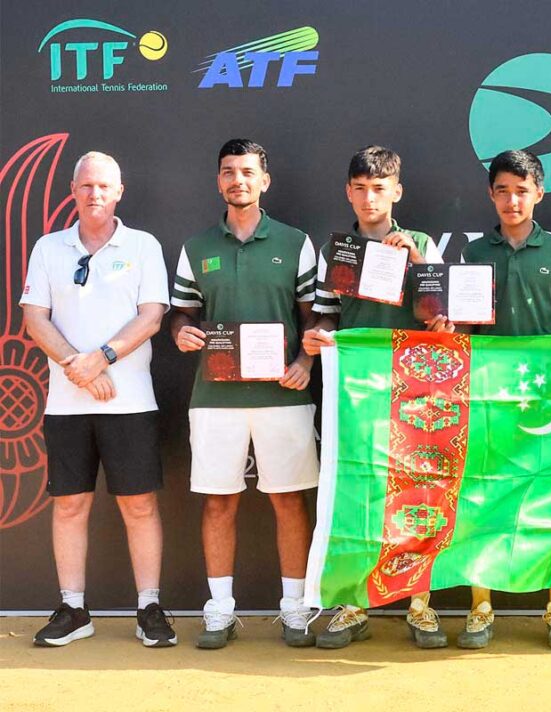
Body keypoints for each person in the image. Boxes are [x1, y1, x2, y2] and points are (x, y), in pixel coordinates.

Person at [428, 149, 551, 650]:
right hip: (488, 398)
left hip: (549, 402)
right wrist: (449, 329)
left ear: (539, 193)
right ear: (490, 194)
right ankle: (480, 607)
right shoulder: (473, 255)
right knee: (484, 500)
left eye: (522, 191)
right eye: (502, 191)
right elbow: (465, 332)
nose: (512, 201)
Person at [21, 151, 175, 647]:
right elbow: (35, 318)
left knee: (139, 505)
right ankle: (73, 609)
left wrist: (102, 357)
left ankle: (149, 607)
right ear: (73, 190)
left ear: (119, 192)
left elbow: (152, 316)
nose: (95, 194)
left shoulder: (144, 246)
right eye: (86, 185)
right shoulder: (49, 247)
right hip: (67, 404)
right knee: (70, 506)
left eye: (105, 186)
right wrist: (77, 366)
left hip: (130, 403)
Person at [170, 139, 319, 649]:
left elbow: (315, 316)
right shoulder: (196, 247)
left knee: (289, 501)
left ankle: (295, 607)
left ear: (264, 180)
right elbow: (182, 313)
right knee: (218, 502)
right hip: (215, 398)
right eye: (229, 172)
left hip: (284, 395)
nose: (239, 180)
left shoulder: (296, 242)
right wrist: (181, 333)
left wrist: (305, 362)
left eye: (248, 172)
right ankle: (220, 611)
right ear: (219, 181)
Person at [302, 145, 446, 649]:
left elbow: (443, 317)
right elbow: (326, 314)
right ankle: (353, 604)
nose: (370, 198)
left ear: (396, 192)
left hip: (418, 387)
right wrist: (319, 336)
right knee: (358, 492)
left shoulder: (421, 243)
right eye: (361, 188)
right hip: (357, 390)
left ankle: (420, 604)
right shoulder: (336, 251)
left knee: (419, 493)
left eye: (379, 188)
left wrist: (418, 264)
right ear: (348, 192)